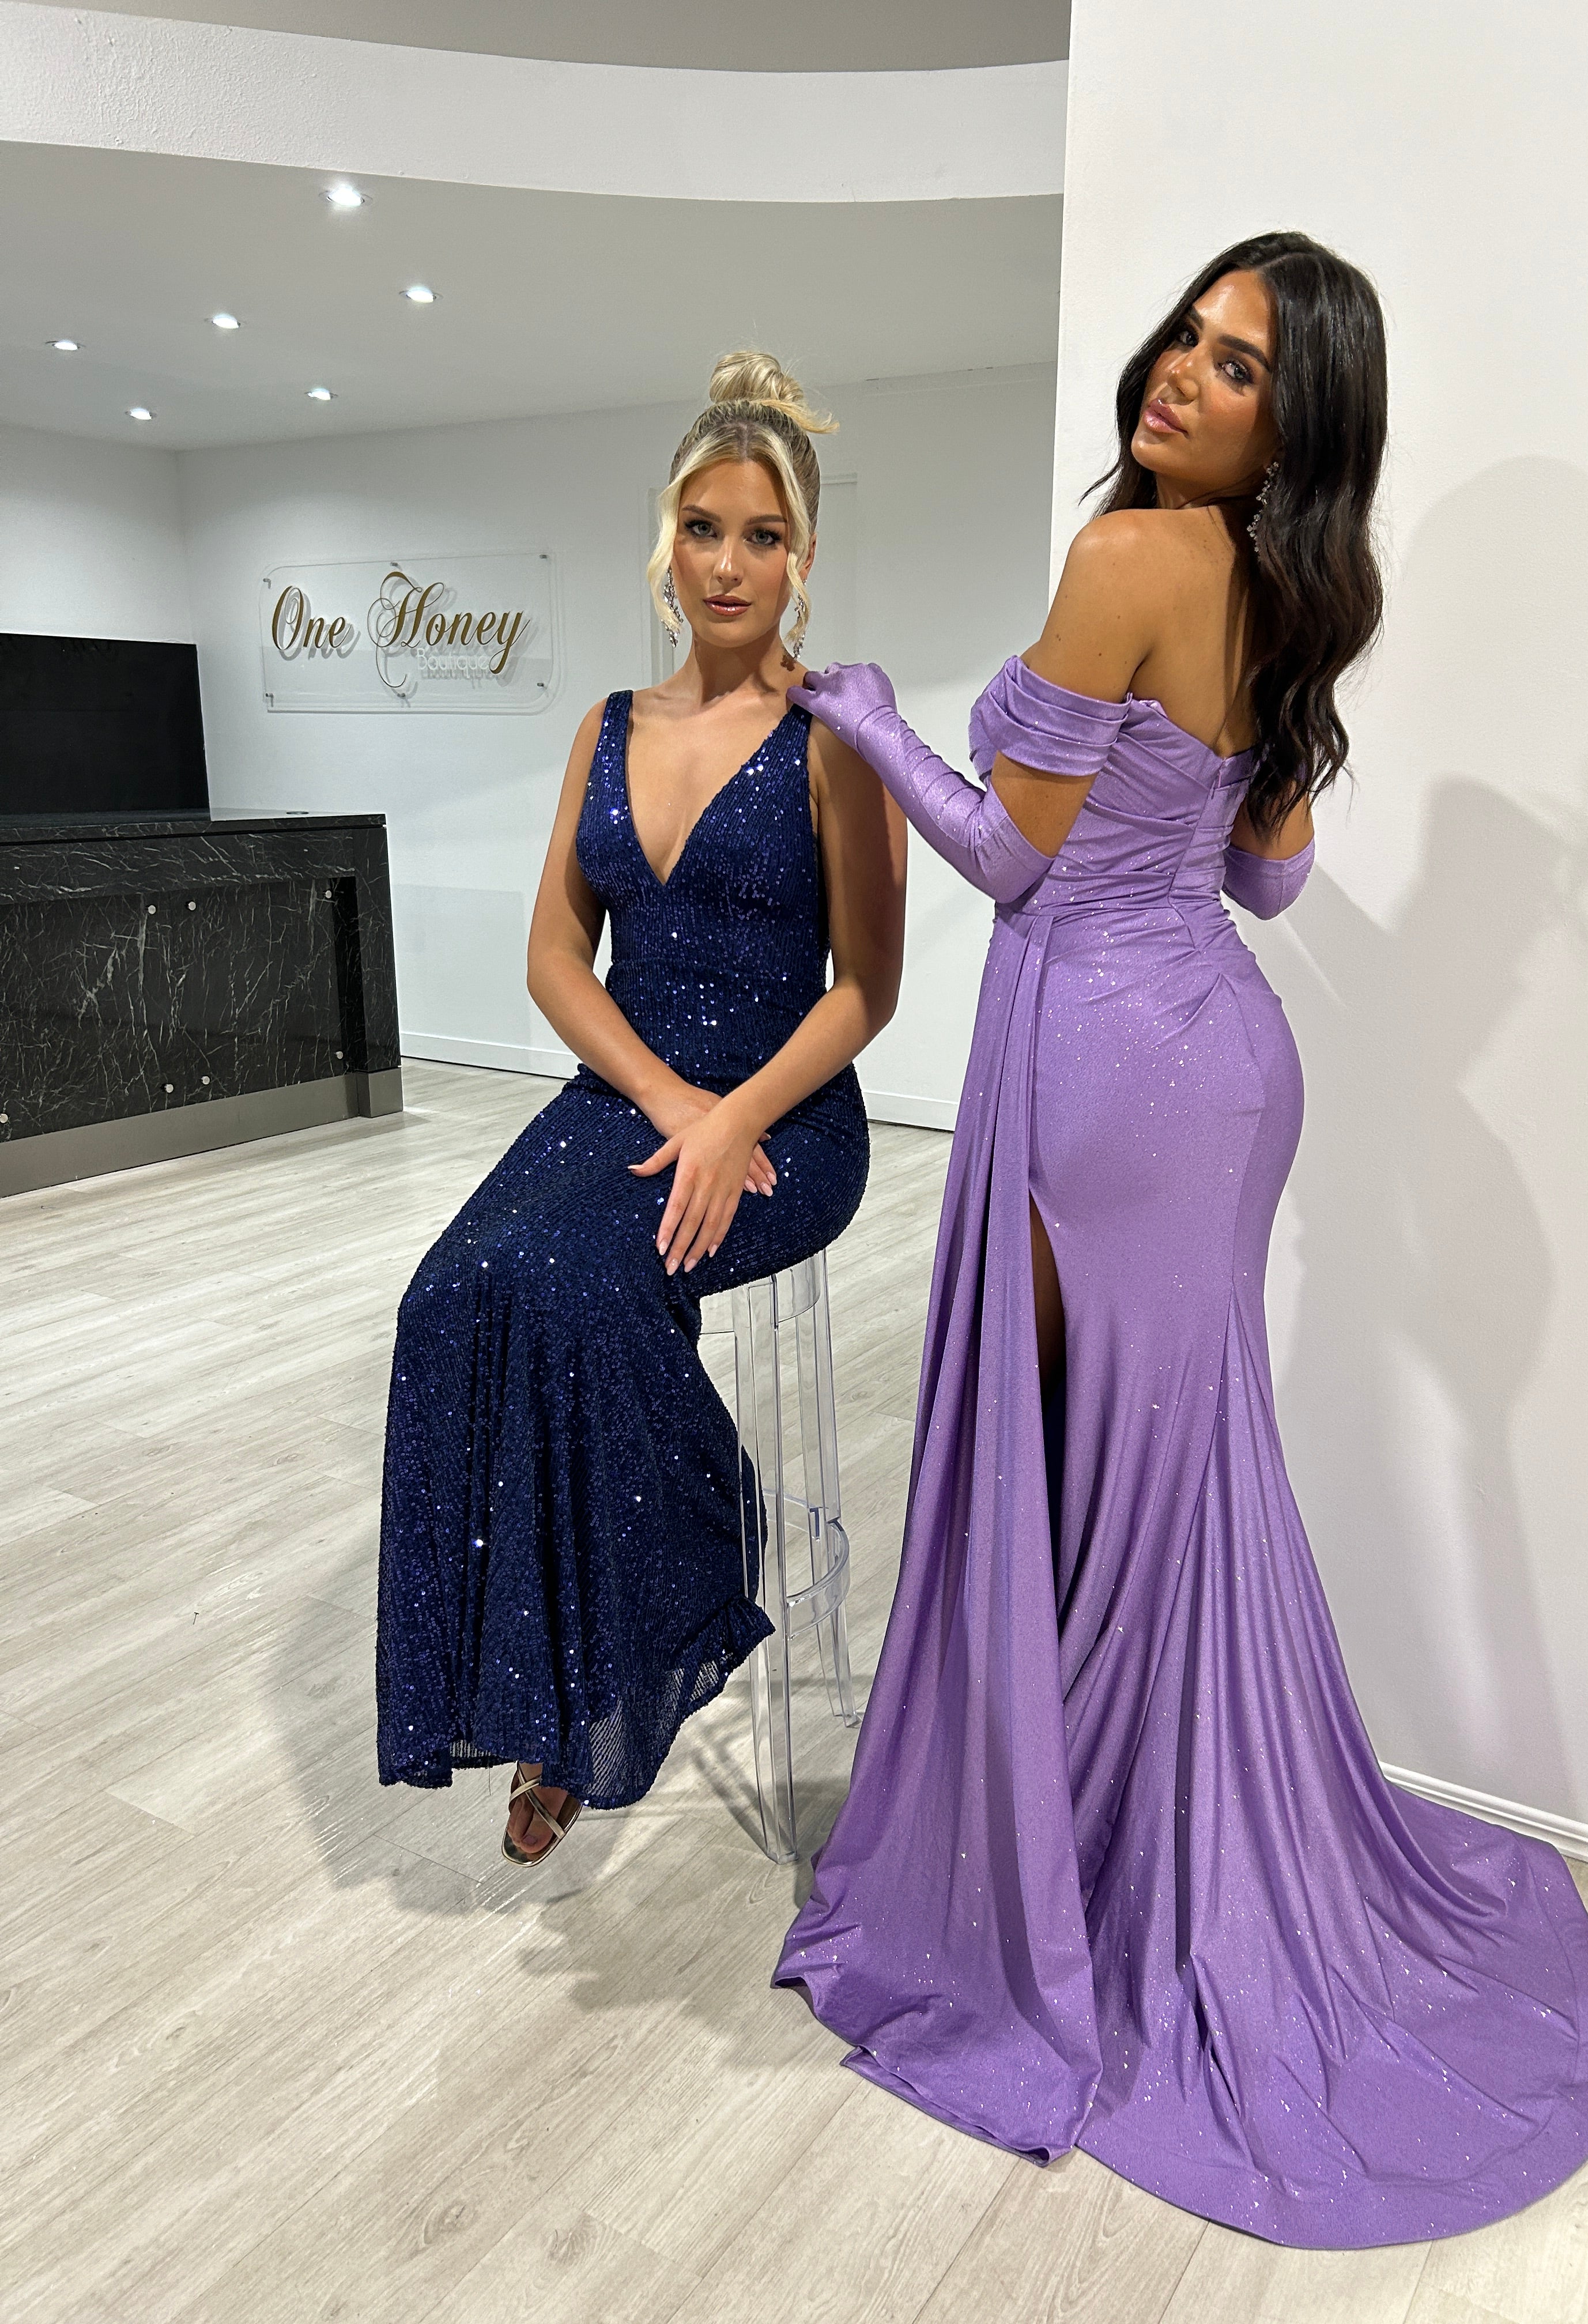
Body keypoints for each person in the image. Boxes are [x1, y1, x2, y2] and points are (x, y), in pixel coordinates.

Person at [775, 235, 1588, 2247]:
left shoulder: (1139, 558)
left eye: (1233, 365)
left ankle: (1092, 1895)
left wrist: (881, 716)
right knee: (1165, 1490)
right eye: (1186, 332)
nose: (1177, 371)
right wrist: (1213, 777)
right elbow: (1269, 877)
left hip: (1106, 1077)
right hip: (1222, 1076)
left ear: (1288, 424)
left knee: (1093, 1493)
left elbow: (1005, 855)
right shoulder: (1288, 593)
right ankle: (1131, 1849)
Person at [377, 352, 906, 1865]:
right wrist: (671, 1095)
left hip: (787, 1109)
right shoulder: (606, 723)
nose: (730, 562)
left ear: (801, 557)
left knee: (570, 1284)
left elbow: (868, 989)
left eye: (762, 533)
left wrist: (734, 1117)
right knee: (450, 1295)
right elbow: (555, 954)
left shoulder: (835, 743)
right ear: (663, 546)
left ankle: (625, 1654)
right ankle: (565, 1662)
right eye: (703, 528)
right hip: (632, 1087)